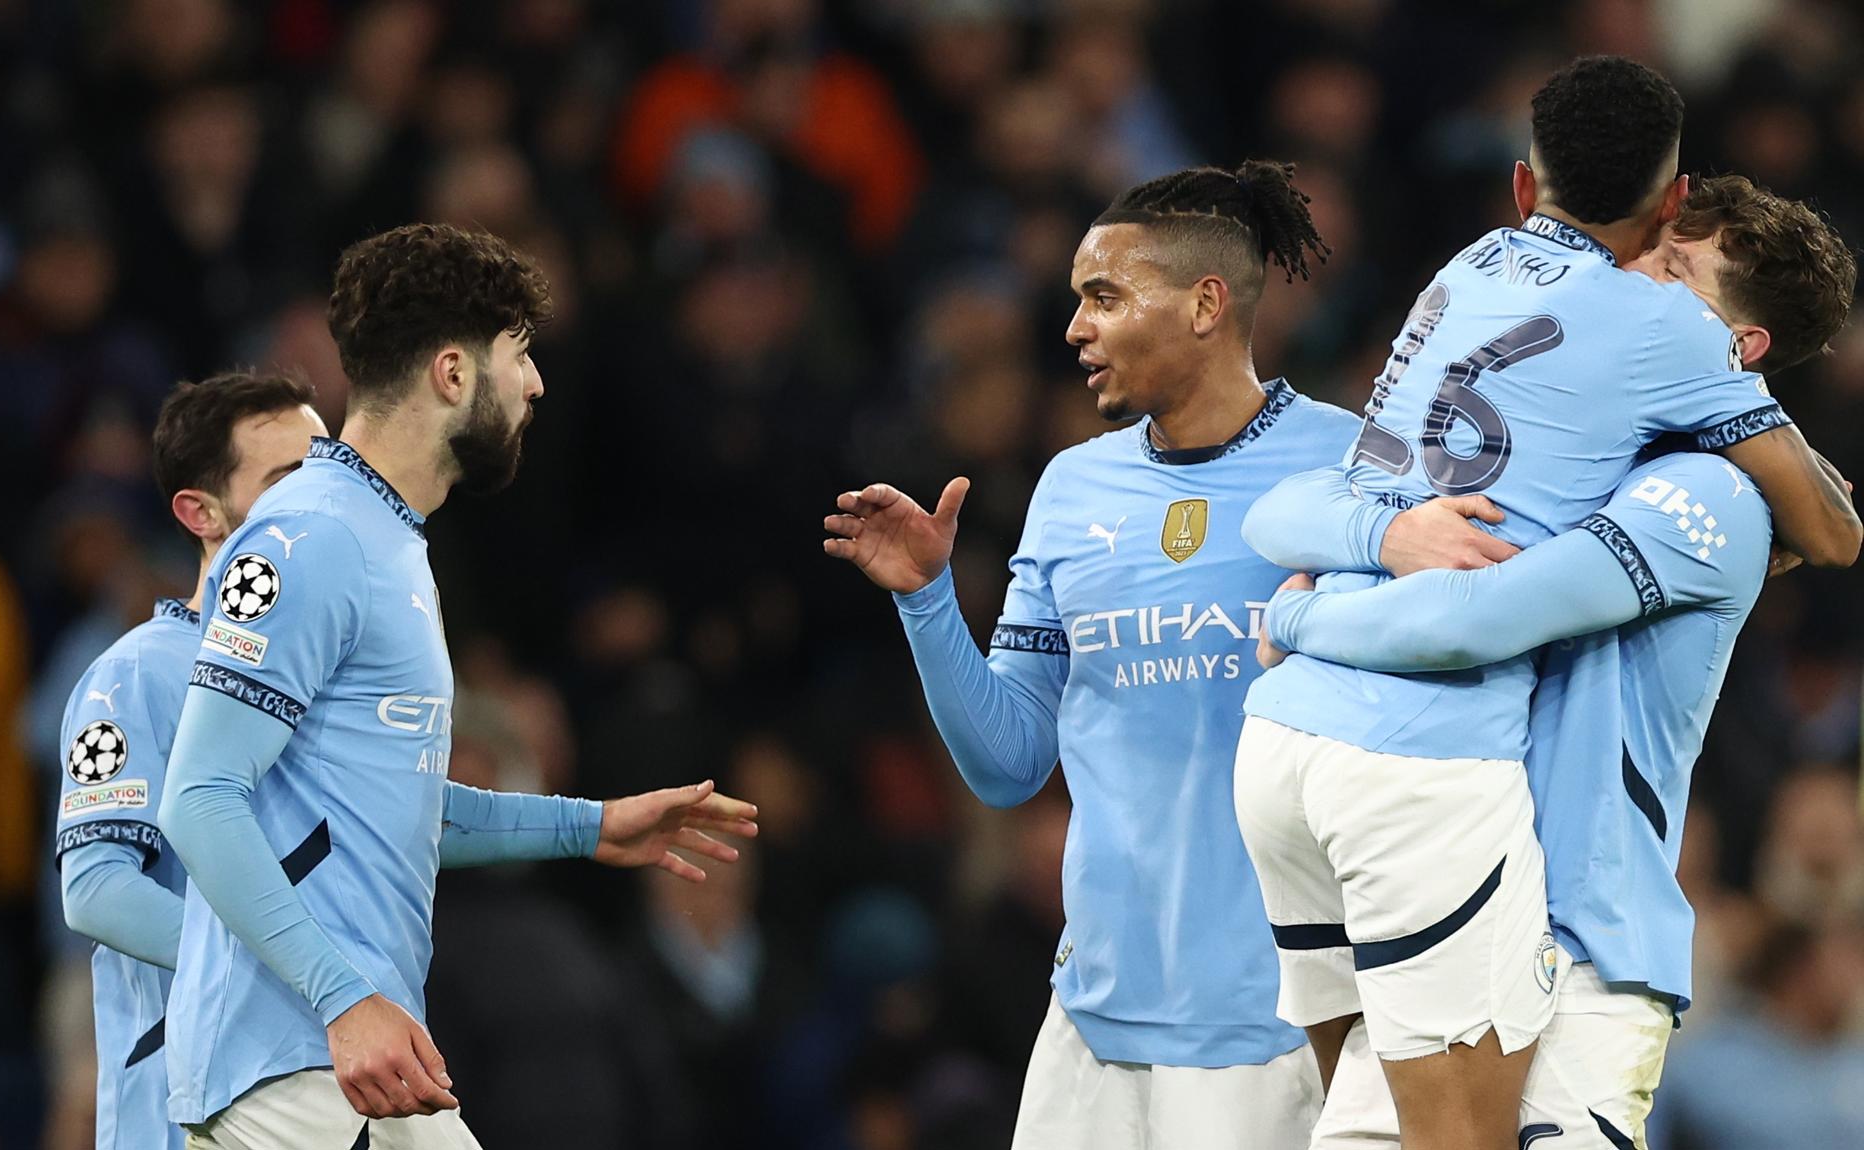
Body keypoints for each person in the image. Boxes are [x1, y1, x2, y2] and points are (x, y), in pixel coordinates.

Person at [1230, 57, 1859, 1150]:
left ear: (1739, 354)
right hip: (1482, 883)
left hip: (1589, 931)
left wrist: (1297, 622)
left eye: (1677, 269)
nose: (1634, 280)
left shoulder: (1700, 491)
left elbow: (1479, 614)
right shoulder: (1592, 439)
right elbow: (1313, 495)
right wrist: (1381, 531)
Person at [155, 223, 760, 1147]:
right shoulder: (308, 538)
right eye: (518, 355)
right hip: (291, 1067)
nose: (536, 383)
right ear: (452, 373)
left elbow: (384, 806)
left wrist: (590, 826)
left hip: (355, 1063)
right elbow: (198, 798)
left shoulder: (388, 541)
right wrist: (344, 997)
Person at [824, 160, 1357, 1149]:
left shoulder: (1351, 469)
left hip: (1270, 1030)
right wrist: (929, 605)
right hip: (1088, 1025)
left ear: (1206, 304)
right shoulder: (1071, 488)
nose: (1075, 328)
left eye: (1104, 297)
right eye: (1076, 301)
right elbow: (1006, 764)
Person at [55, 372, 330, 1150]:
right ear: (199, 512)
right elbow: (97, 889)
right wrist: (299, 966)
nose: (319, 499)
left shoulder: (321, 680)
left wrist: (587, 825)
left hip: (317, 1085)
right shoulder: (140, 671)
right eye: (287, 478)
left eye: (329, 470)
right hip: (186, 1110)